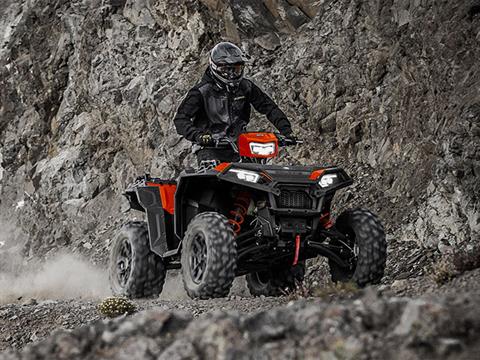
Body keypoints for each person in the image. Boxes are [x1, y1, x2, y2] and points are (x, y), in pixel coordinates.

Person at [173, 42, 296, 164]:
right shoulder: (201, 92)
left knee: (260, 175)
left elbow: (269, 107)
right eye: (227, 70)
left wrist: (286, 132)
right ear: (215, 67)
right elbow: (180, 119)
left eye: (236, 69)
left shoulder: (246, 86)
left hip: (241, 144)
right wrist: (199, 136)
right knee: (213, 177)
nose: (231, 74)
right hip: (211, 148)